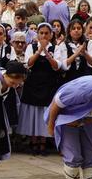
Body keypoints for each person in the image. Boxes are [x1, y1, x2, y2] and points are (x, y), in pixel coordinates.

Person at [20, 23, 61, 155]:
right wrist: (39, 51)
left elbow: (57, 67)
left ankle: (43, 142)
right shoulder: (31, 47)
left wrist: (47, 54)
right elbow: (28, 64)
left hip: (48, 84)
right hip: (33, 84)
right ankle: (33, 141)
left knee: (45, 112)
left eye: (46, 33)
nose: (43, 35)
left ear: (51, 35)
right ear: (37, 34)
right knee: (33, 113)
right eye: (41, 33)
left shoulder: (56, 48)